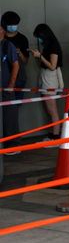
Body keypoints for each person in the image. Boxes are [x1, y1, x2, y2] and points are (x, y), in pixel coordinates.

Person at [31, 23, 64, 144]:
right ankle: (53, 133)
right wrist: (37, 56)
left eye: (39, 36)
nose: (38, 39)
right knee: (49, 109)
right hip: (46, 79)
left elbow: (52, 66)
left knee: (52, 109)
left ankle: (56, 136)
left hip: (50, 80)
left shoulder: (53, 46)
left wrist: (40, 56)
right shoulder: (48, 45)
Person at [1, 11, 29, 118]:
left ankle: (13, 131)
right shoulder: (2, 40)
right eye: (11, 24)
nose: (14, 26)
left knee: (14, 109)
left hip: (18, 79)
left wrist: (19, 53)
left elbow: (25, 61)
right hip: (3, 79)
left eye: (16, 24)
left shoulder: (22, 39)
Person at [0, 24, 20, 155]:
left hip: (5, 87)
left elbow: (15, 65)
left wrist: (11, 85)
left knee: (9, 116)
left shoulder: (7, 46)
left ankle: (11, 144)